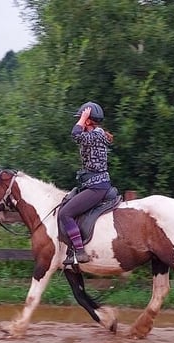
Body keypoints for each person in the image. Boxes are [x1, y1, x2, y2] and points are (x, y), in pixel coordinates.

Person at [58, 101, 114, 265]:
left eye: (83, 119)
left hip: (97, 186)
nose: (80, 122)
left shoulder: (95, 135)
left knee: (65, 214)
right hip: (93, 184)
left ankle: (80, 252)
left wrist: (82, 118)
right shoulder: (98, 134)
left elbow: (75, 134)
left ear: (89, 121)